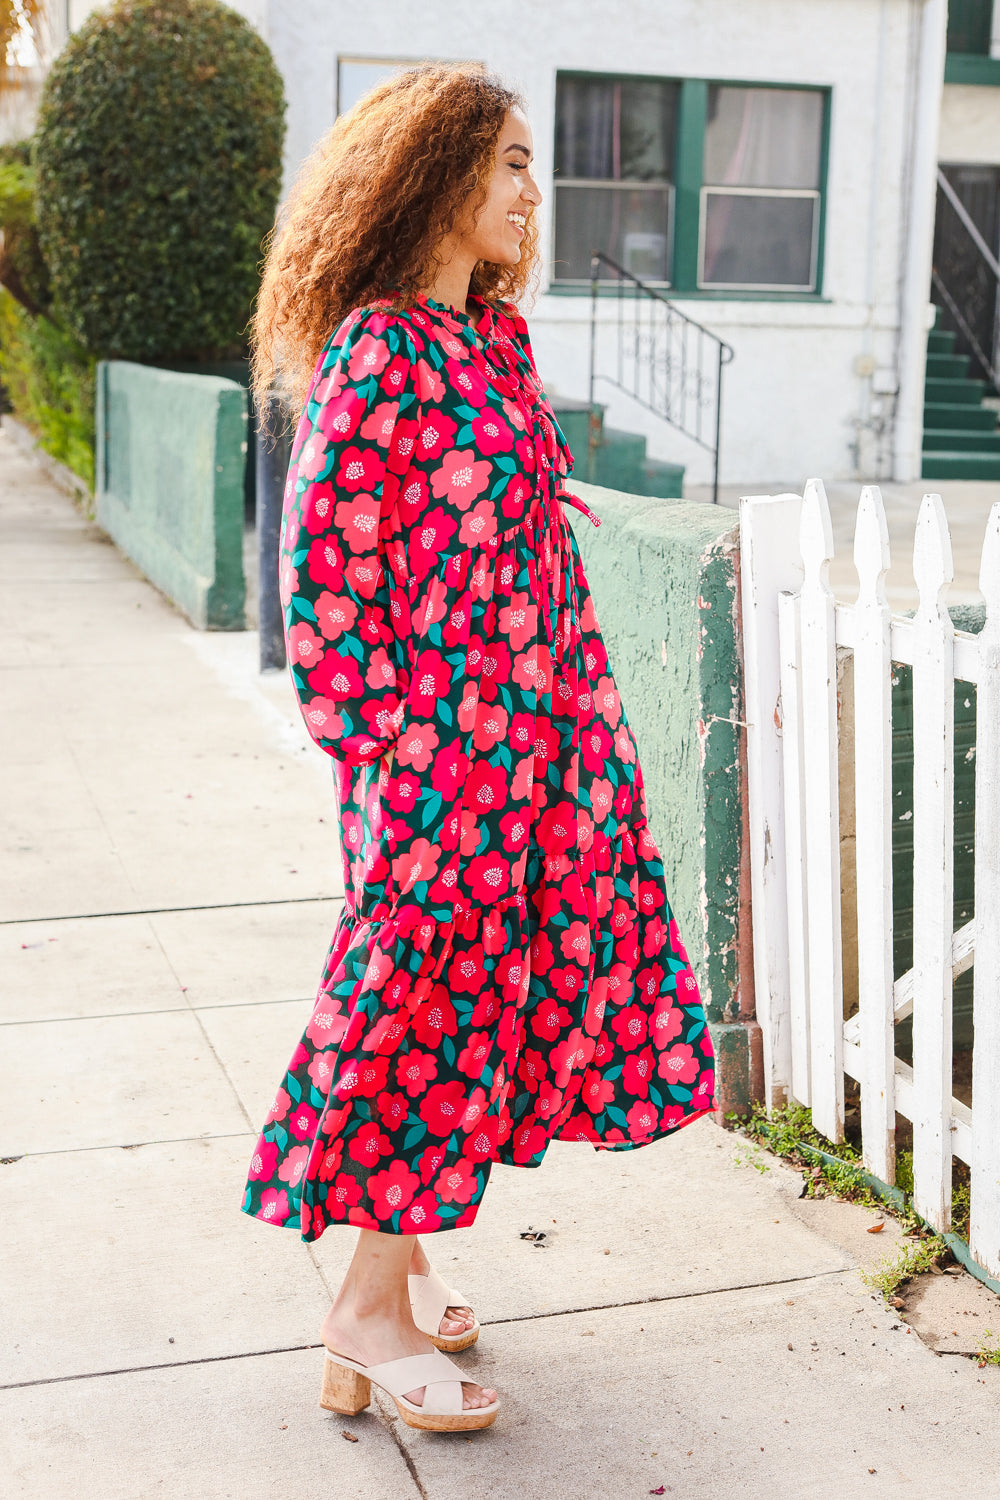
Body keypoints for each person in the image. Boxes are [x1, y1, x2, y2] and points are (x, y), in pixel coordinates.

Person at [244, 62, 716, 1434]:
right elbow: (322, 566)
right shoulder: (379, 349)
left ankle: (398, 1269)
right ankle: (364, 1309)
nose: (531, 188)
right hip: (438, 758)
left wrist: (578, 735)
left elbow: (527, 542)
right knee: (415, 1006)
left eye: (530, 164)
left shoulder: (491, 342)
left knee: (481, 1011)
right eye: (507, 161)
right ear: (433, 175)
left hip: (536, 750)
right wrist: (392, 751)